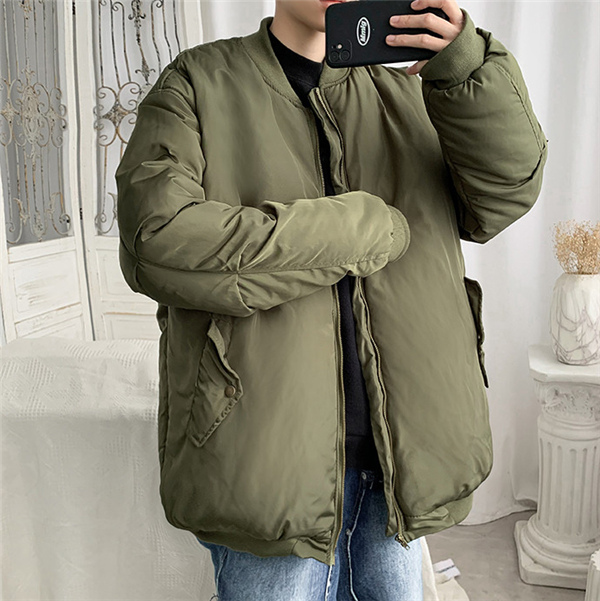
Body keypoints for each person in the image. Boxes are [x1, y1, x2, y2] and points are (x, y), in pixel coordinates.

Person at [115, 0, 548, 598]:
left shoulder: (417, 89)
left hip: (402, 454)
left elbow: (503, 196)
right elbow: (157, 242)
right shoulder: (197, 83)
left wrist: (466, 69)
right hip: (264, 459)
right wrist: (355, 228)